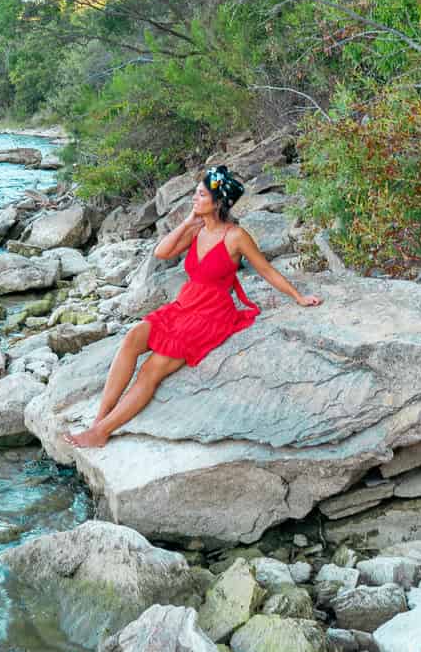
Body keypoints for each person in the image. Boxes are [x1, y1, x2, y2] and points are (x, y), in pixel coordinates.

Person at [67, 163, 321, 449]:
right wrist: (188, 221)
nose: (194, 199)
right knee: (132, 337)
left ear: (218, 202)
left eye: (200, 195)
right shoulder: (196, 229)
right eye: (195, 194)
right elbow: (162, 252)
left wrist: (298, 297)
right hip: (184, 305)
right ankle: (99, 420)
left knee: (153, 368)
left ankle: (102, 432)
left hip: (211, 314)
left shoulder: (236, 236)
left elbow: (266, 270)